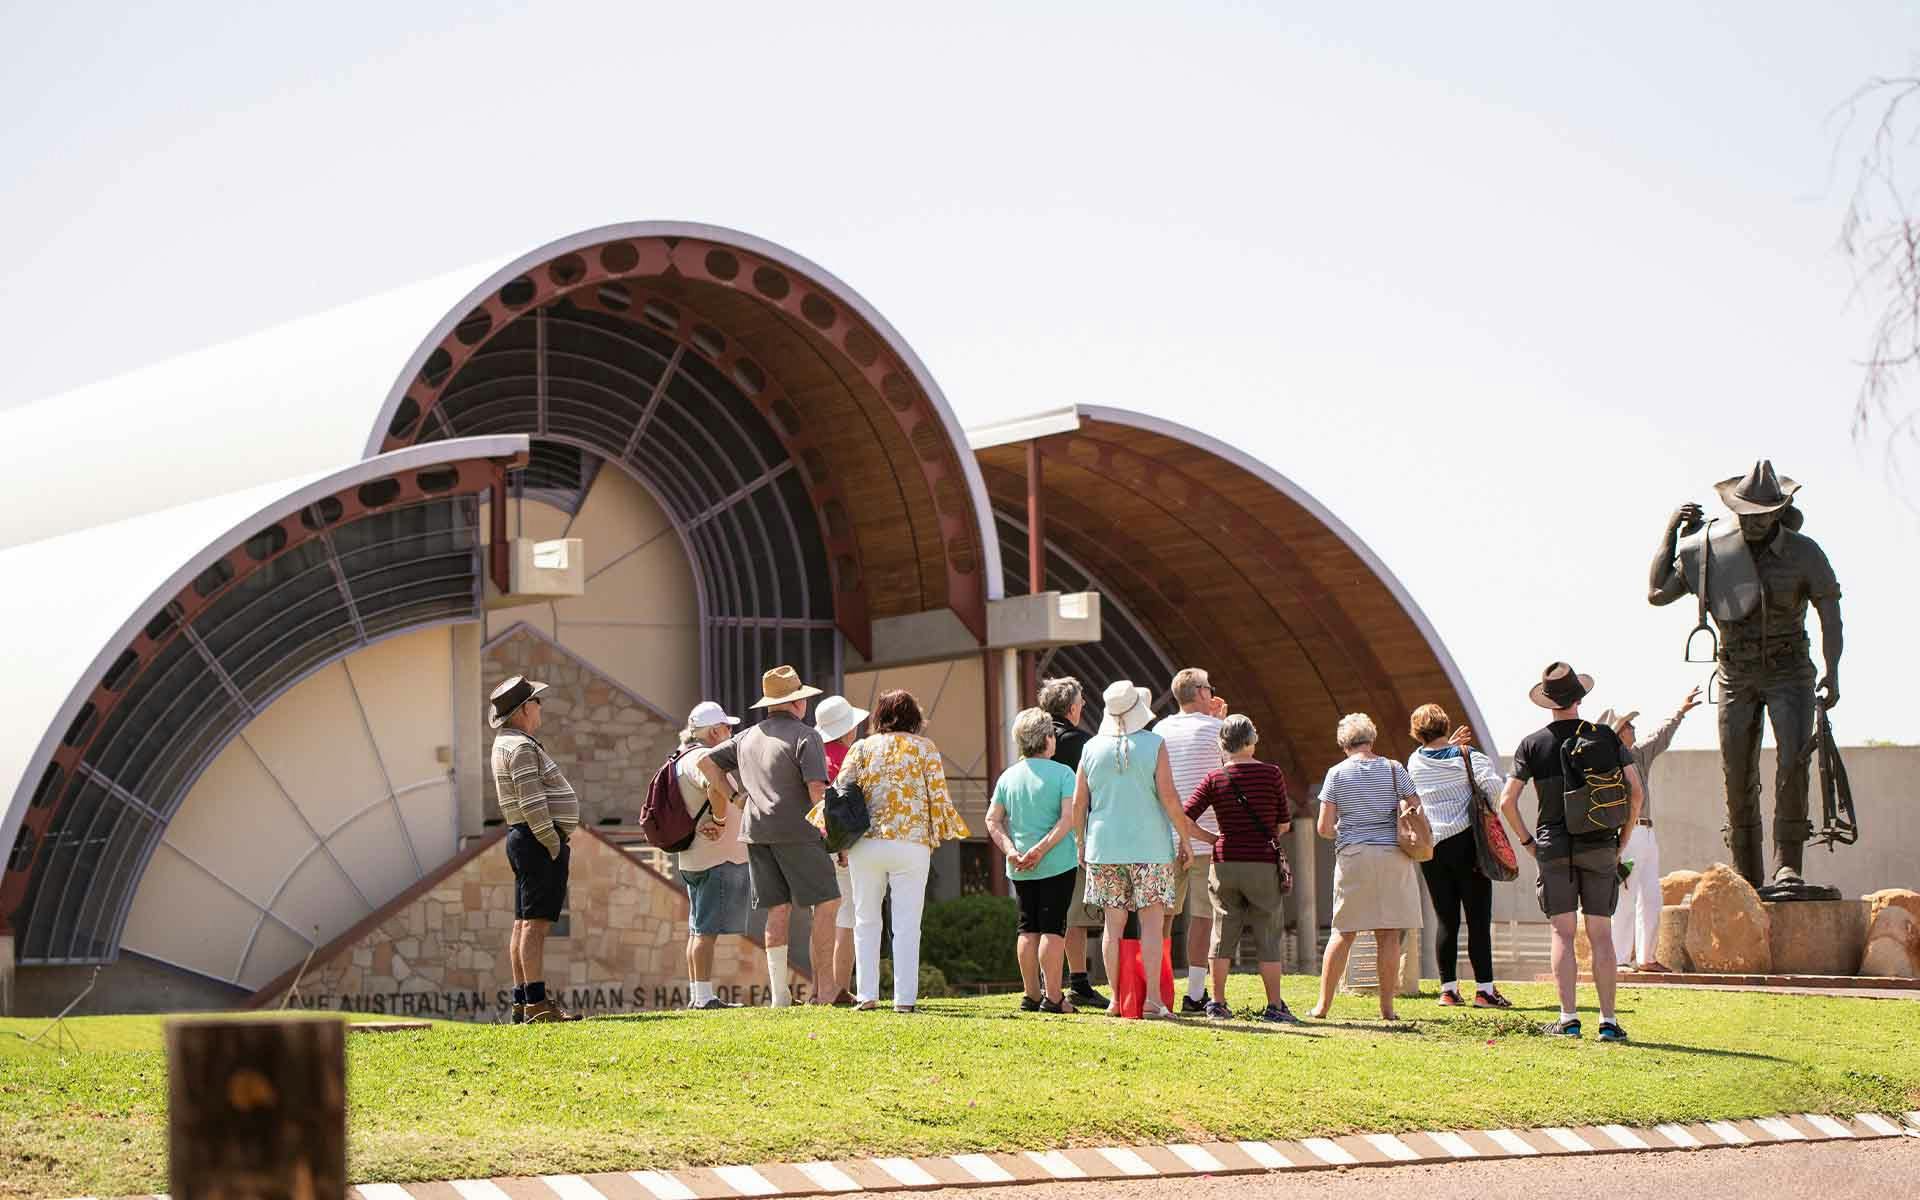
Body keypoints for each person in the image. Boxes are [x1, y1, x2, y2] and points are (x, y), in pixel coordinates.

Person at [1646, 462, 1842, 886]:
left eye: (1762, 514)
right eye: (1746, 514)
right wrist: (1671, 534)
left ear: (1779, 510)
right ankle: (1746, 872)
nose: (1753, 522)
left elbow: (1831, 613)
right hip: (1736, 673)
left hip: (1791, 672)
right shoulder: (1711, 551)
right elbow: (1657, 593)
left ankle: (1787, 863)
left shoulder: (1805, 552)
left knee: (1793, 762)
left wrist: (1833, 671)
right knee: (1737, 771)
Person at [1495, 663, 1644, 1041]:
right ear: (1580, 697)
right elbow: (1635, 791)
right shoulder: (1607, 737)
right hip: (1600, 845)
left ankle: (1569, 1019)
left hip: (1553, 846)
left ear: (1548, 702)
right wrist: (1622, 837)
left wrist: (1529, 842)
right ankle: (1608, 1023)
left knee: (1562, 934)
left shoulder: (1532, 743)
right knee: (1602, 935)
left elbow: (1507, 801)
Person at [698, 666, 840, 1007]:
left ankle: (780, 996)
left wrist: (735, 800)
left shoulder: (746, 736)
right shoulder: (808, 736)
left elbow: (705, 762)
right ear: (797, 703)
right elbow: (817, 791)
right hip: (798, 830)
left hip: (756, 831)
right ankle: (826, 991)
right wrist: (835, 836)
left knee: (778, 910)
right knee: (828, 902)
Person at [831, 689, 969, 1012]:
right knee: (907, 923)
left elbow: (839, 794)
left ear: (879, 716)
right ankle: (904, 1000)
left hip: (866, 842)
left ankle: (866, 995)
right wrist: (938, 834)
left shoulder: (861, 748)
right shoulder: (925, 749)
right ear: (915, 718)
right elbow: (938, 797)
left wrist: (839, 842)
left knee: (865, 919)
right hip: (911, 842)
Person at [1069, 680, 1200, 1019]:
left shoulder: (1091, 748)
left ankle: (1116, 1000)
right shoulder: (1155, 744)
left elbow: (1080, 802)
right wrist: (1185, 839)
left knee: (1113, 926)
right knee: (1152, 924)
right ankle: (1153, 1000)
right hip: (1150, 848)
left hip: (1104, 848)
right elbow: (1169, 797)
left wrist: (1080, 842)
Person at [1181, 714, 1299, 1023]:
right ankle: (1274, 1006)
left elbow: (1184, 817)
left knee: (1222, 933)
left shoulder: (1214, 778)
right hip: (1262, 863)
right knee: (1268, 934)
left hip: (1224, 863)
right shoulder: (1272, 774)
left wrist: (1212, 838)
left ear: (1223, 744)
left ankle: (1217, 1003)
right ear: (1251, 741)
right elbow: (1284, 823)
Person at [1309, 712, 1424, 1022]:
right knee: (1388, 934)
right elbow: (1416, 805)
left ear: (1344, 743)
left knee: (1343, 932)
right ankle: (1387, 1008)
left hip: (1354, 856)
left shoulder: (1336, 774)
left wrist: (1348, 827)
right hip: (1392, 856)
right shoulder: (1393, 768)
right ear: (1372, 739)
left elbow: (1323, 827)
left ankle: (1322, 1006)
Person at [489, 675, 583, 1023]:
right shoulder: (522, 747)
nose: (540, 706)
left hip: (526, 838)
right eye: (536, 701)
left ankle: (523, 1000)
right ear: (524, 709)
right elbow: (532, 801)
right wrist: (552, 841)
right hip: (536, 839)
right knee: (535, 925)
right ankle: (536, 1005)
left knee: (524, 923)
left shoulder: (507, 742)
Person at [1405, 703, 1510, 1009]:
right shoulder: (1470, 757)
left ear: (1416, 732)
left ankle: (1448, 990)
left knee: (1445, 919)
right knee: (1478, 918)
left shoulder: (1414, 761)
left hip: (1432, 846)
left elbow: (1433, 757)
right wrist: (1489, 810)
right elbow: (1494, 787)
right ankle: (1485, 990)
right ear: (1446, 725)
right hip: (1468, 842)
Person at [986, 707, 1081, 1013]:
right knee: (1053, 929)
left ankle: (1031, 994)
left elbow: (992, 820)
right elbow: (1068, 819)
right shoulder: (1064, 773)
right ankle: (1054, 997)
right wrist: (1042, 849)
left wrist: (1011, 850)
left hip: (1019, 865)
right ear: (1047, 739)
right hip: (1056, 862)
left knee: (1027, 927)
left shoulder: (1008, 776)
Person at [1601, 687, 1702, 972]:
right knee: (1625, 895)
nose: (1634, 728)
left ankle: (1646, 958)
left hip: (1646, 833)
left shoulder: (1638, 755)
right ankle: (1620, 959)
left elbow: (1661, 735)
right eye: (1629, 725)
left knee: (1650, 895)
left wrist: (1680, 711)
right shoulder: (1606, 764)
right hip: (1626, 834)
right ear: (1618, 731)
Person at [1154, 667, 1225, 1014]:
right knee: (1202, 917)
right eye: (1209, 688)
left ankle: (1159, 987)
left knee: (1161, 916)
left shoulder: (1159, 730)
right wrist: (1220, 722)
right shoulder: (1218, 730)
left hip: (1163, 838)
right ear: (1199, 693)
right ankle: (1195, 992)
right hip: (1206, 838)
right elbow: (1229, 776)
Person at [1038, 675, 1108, 1009]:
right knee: (1075, 913)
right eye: (1080, 704)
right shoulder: (1083, 742)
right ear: (1071, 708)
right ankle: (1078, 981)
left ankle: (1044, 983)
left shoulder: (1033, 742)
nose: (1082, 709)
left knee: (1043, 914)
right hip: (1074, 834)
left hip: (1037, 834)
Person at [673, 700, 747, 1010]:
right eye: (728, 728)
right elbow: (714, 787)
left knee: (697, 927)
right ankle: (703, 998)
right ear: (715, 731)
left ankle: (698, 994)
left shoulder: (681, 757)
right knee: (705, 930)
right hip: (713, 856)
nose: (731, 732)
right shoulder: (704, 757)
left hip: (694, 855)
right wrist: (719, 820)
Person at [814, 694, 870, 1006]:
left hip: (811, 846)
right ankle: (839, 988)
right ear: (847, 729)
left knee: (820, 918)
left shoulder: (810, 755)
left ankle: (818, 988)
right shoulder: (849, 758)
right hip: (840, 846)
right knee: (846, 917)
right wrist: (842, 846)